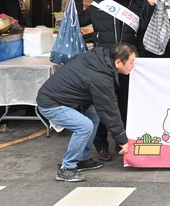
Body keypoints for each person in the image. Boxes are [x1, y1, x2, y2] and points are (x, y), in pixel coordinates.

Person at [64, 0, 145, 162]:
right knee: (100, 104)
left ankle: (121, 141)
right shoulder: (101, 2)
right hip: (103, 63)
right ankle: (101, 145)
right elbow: (81, 20)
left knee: (125, 103)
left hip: (127, 64)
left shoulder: (138, 3)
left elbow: (145, 29)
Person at [37, 43, 134, 182]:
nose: (133, 66)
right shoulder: (100, 77)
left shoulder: (99, 60)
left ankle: (82, 159)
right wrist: (122, 140)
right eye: (131, 62)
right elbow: (109, 110)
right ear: (118, 62)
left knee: (94, 114)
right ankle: (67, 168)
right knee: (84, 126)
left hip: (62, 99)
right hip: (51, 103)